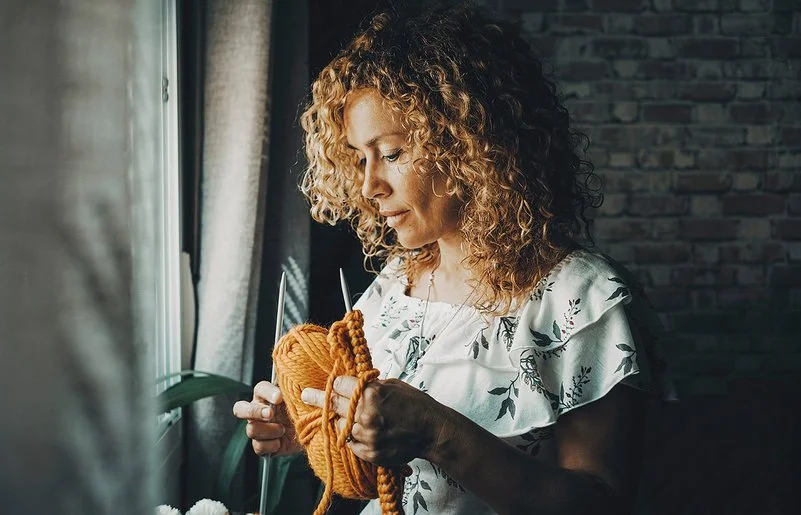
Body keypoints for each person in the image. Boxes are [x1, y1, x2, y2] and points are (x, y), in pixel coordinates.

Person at [233, 3, 673, 514]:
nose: (369, 186)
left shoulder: (584, 303)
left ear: (471, 144)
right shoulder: (396, 285)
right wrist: (315, 428)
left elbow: (603, 506)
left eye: (392, 153)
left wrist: (439, 433)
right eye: (360, 158)